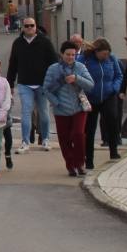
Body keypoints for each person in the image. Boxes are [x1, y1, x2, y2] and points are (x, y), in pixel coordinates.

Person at [7, 17, 59, 154]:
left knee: (44, 113)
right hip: (25, 84)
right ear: (22, 27)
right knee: (26, 112)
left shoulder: (45, 42)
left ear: (36, 26)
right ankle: (25, 142)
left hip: (42, 84)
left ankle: (46, 139)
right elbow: (13, 64)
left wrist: (53, 82)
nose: (29, 28)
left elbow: (54, 63)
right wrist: (10, 84)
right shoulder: (18, 43)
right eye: (27, 26)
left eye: (32, 25)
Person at [44, 41, 95, 177]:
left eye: (73, 54)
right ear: (62, 54)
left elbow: (90, 85)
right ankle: (70, 165)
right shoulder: (53, 69)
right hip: (61, 109)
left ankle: (80, 163)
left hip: (79, 107)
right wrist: (56, 103)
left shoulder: (81, 67)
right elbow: (46, 89)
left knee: (78, 134)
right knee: (64, 138)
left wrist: (77, 79)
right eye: (68, 54)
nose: (71, 57)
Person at [80, 38, 123, 169]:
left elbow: (119, 75)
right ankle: (89, 159)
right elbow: (77, 73)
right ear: (96, 52)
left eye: (107, 54)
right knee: (89, 129)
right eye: (103, 54)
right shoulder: (85, 60)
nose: (106, 56)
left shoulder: (112, 59)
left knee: (112, 120)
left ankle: (113, 151)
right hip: (90, 97)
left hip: (108, 95)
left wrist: (115, 88)